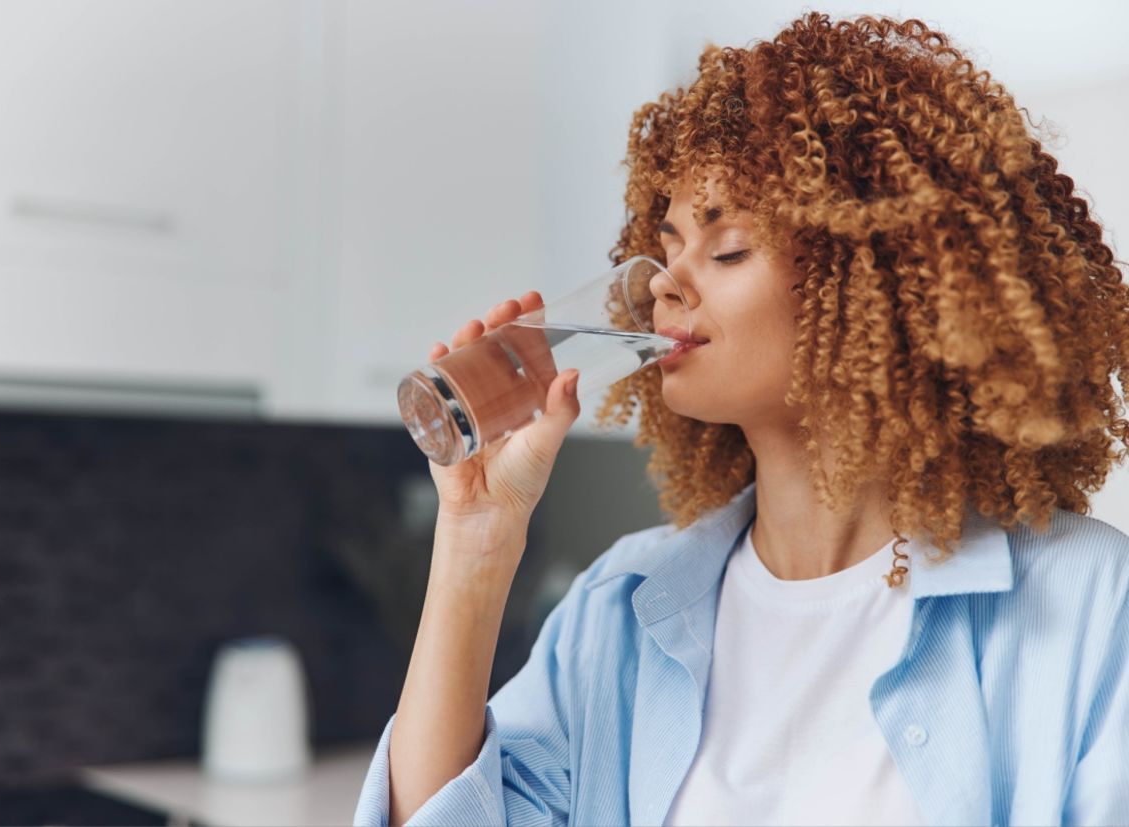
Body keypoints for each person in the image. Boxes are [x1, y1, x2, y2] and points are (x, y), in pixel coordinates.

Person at [356, 12, 1129, 826]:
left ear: (881, 281)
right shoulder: (621, 607)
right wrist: (475, 545)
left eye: (726, 250)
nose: (664, 284)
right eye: (667, 244)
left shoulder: (1087, 601)